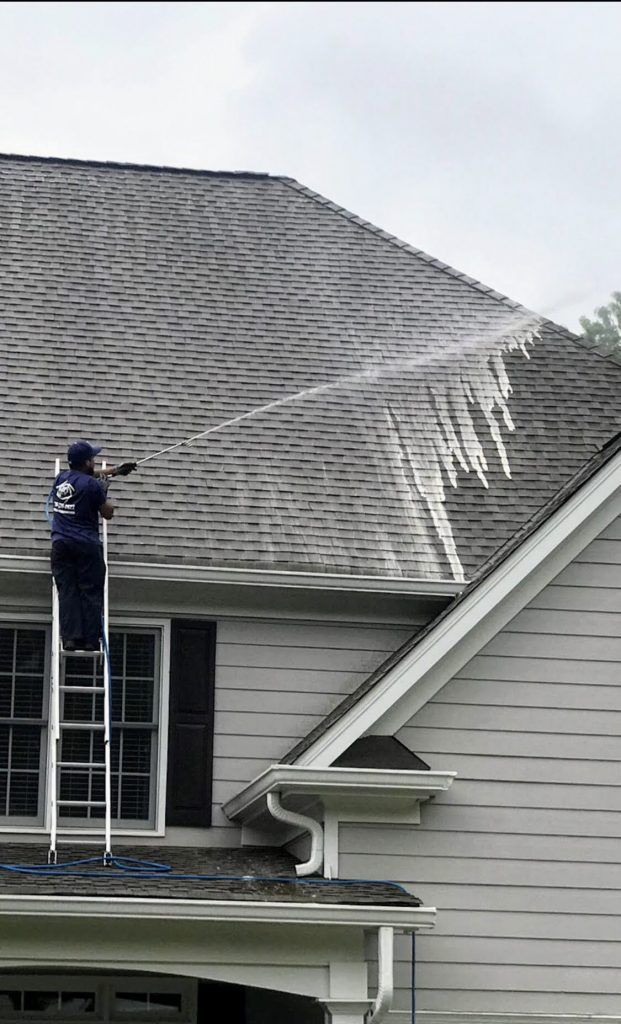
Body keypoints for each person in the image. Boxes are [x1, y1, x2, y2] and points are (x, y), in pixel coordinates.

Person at [50, 440, 137, 652]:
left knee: (68, 591)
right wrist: (105, 491)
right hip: (86, 546)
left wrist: (114, 471)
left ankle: (70, 638)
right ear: (87, 461)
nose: (94, 461)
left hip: (61, 545)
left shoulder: (61, 479)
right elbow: (108, 513)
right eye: (93, 458)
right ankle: (90, 640)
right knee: (90, 590)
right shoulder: (92, 487)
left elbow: (86, 477)